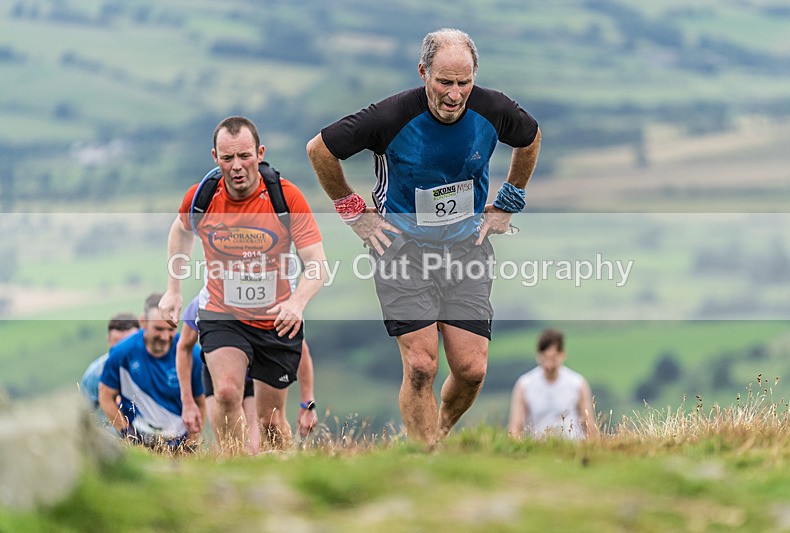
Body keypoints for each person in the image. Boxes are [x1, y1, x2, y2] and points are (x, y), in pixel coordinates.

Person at [306, 28, 541, 446]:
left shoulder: (493, 109)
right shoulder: (390, 117)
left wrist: (508, 202)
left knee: (471, 370)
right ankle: (425, 457)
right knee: (420, 365)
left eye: (464, 83)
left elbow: (530, 137)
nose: (454, 95)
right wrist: (354, 212)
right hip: (402, 251)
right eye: (444, 82)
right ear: (423, 73)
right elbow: (320, 150)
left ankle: (438, 434)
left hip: (467, 249)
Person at [159, 116, 327, 453]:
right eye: (227, 158)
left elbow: (317, 266)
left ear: (260, 153)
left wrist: (296, 303)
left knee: (268, 420)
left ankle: (284, 471)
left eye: (245, 156)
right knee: (225, 393)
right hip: (223, 313)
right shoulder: (202, 197)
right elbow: (180, 230)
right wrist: (173, 290)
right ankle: (234, 467)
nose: (237, 166)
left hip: (276, 319)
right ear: (215, 157)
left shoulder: (286, 197)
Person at [177, 295, 318, 454]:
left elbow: (301, 349)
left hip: (255, 375)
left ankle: (285, 467)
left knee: (262, 436)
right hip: (218, 375)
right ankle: (236, 475)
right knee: (229, 444)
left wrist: (307, 403)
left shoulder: (269, 299)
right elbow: (183, 347)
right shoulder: (203, 301)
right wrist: (187, 402)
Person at [98, 293, 206, 450]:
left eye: (171, 329)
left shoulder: (192, 355)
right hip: (139, 444)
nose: (164, 336)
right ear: (143, 322)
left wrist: (191, 444)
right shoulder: (121, 353)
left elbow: (201, 403)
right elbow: (105, 395)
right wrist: (126, 432)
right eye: (158, 329)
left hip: (179, 442)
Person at [508, 328, 598, 440]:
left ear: (562, 355)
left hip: (573, 449)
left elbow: (588, 422)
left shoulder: (578, 384)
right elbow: (516, 426)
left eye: (553, 359)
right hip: (539, 450)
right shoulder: (523, 385)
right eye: (544, 358)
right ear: (538, 356)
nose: (548, 366)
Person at [79, 313, 140, 410]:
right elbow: (87, 412)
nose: (122, 351)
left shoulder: (153, 368)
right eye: (118, 345)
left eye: (128, 344)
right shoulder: (94, 375)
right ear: (108, 340)